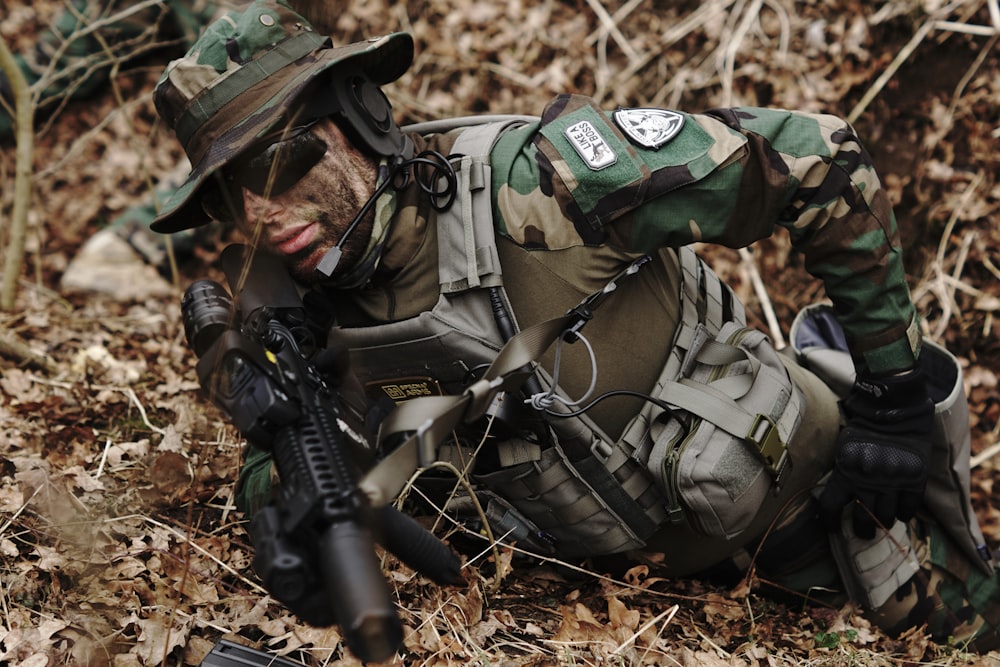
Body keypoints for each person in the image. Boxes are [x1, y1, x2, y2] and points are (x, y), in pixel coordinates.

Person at [149, 0, 1000, 652]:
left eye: (281, 158)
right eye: (232, 193)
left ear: (361, 114)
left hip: (830, 524)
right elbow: (292, 460)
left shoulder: (545, 185)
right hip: (651, 603)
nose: (264, 208)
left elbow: (817, 157)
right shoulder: (309, 315)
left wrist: (893, 386)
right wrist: (280, 491)